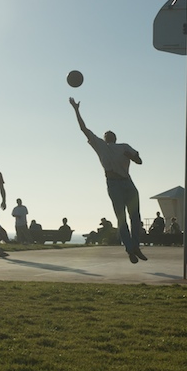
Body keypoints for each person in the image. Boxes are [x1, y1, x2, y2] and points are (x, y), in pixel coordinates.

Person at [70, 97, 146, 263]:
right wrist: (76, 110)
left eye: (110, 134)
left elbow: (140, 161)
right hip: (114, 184)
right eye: (106, 134)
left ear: (114, 138)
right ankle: (130, 249)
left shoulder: (124, 147)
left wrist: (132, 156)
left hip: (127, 183)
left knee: (135, 217)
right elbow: (83, 128)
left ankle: (135, 247)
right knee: (121, 218)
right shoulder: (100, 145)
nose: (108, 134)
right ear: (105, 138)